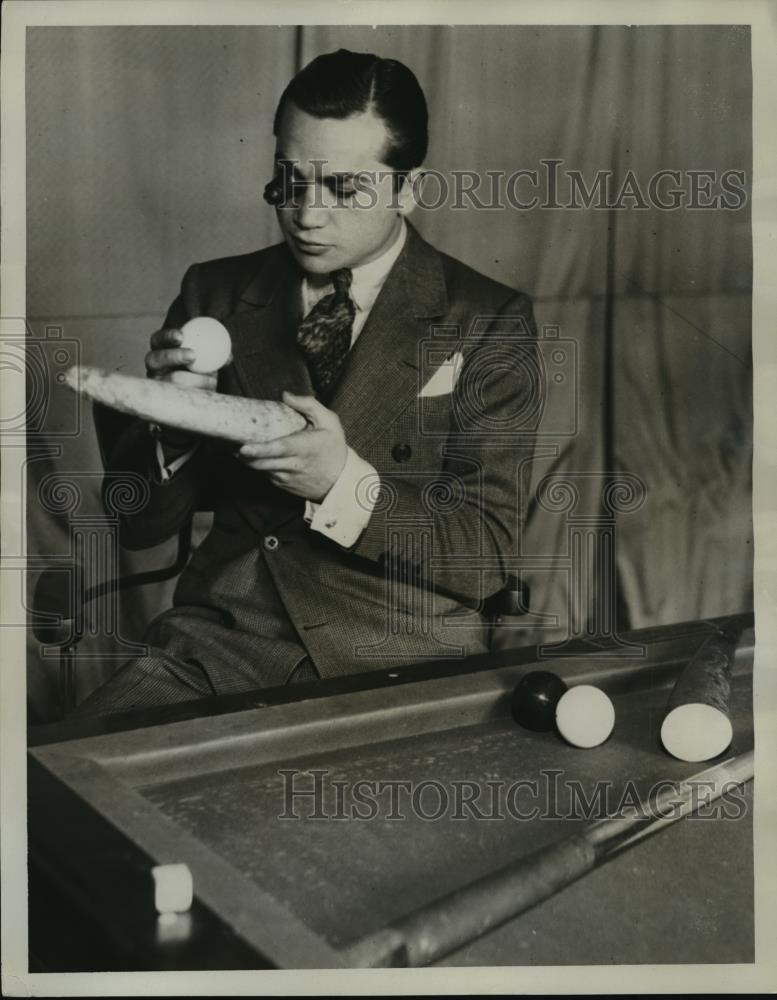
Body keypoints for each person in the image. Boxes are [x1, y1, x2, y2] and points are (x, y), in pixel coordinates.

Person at [74, 48, 538, 716]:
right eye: (289, 182)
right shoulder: (215, 291)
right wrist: (169, 435)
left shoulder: (489, 320)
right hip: (219, 647)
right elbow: (135, 525)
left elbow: (485, 555)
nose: (306, 215)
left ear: (408, 188)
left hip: (402, 657)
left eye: (344, 190)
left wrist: (342, 485)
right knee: (64, 797)